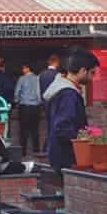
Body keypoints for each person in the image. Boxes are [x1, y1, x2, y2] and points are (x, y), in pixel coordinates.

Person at [44, 47, 99, 177]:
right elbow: (63, 128)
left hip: (58, 154)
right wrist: (84, 138)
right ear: (82, 71)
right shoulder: (69, 95)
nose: (93, 78)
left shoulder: (59, 89)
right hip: (67, 157)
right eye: (92, 73)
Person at [15, 63, 43, 156]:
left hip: (24, 106)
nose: (22, 70)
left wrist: (16, 101)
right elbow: (39, 93)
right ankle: (36, 150)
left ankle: (23, 151)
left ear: (27, 68)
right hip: (35, 107)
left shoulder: (22, 79)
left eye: (23, 68)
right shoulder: (37, 78)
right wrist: (39, 102)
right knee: (35, 130)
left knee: (24, 130)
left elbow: (17, 92)